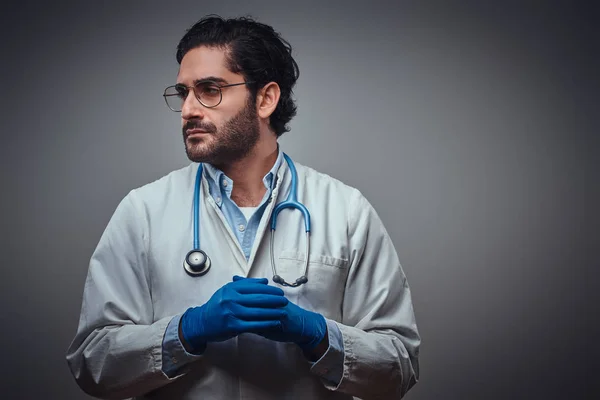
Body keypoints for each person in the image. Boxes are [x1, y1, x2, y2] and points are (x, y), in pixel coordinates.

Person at [65, 15, 420, 400]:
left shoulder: (345, 211)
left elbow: (399, 367)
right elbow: (92, 362)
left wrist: (317, 335)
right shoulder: (143, 211)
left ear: (266, 99)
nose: (188, 110)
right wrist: (188, 330)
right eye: (183, 92)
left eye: (210, 90)